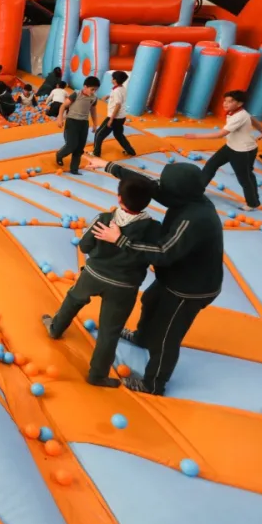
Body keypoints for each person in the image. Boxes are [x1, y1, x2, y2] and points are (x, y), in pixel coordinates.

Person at [85, 154, 224, 396]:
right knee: (149, 301)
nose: (160, 190)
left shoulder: (195, 219)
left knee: (166, 336)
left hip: (190, 288)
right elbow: (145, 185)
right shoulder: (186, 195)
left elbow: (163, 253)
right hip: (174, 275)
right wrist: (107, 165)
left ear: (178, 192)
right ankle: (142, 337)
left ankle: (154, 384)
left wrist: (120, 240)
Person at [41, 174, 162, 387]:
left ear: (119, 198)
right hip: (124, 286)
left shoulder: (104, 219)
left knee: (73, 299)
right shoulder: (154, 229)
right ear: (147, 202)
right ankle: (97, 375)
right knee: (110, 330)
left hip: (94, 274)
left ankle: (56, 328)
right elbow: (152, 256)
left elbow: (84, 246)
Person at [185, 90, 262, 211]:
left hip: (241, 151)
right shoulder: (239, 112)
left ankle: (252, 203)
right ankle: (196, 192)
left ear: (239, 103)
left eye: (230, 101)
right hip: (233, 146)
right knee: (211, 166)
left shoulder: (238, 116)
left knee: (244, 177)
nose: (225, 103)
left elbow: (220, 134)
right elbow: (254, 120)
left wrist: (195, 136)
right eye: (225, 101)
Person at [55, 76, 100, 175]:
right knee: (71, 145)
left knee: (80, 147)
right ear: (85, 87)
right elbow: (63, 106)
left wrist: (95, 123)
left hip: (84, 123)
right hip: (72, 121)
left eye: (95, 90)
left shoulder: (93, 98)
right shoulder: (76, 94)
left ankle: (74, 169)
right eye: (92, 89)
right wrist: (60, 118)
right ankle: (59, 155)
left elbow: (93, 110)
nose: (93, 92)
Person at [92, 70, 135, 158]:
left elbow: (118, 105)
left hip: (114, 118)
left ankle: (96, 153)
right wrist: (108, 96)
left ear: (115, 80)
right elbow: (118, 97)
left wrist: (111, 119)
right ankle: (130, 151)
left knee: (99, 134)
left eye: (112, 78)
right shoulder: (121, 88)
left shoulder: (117, 91)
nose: (111, 79)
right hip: (121, 117)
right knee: (119, 135)